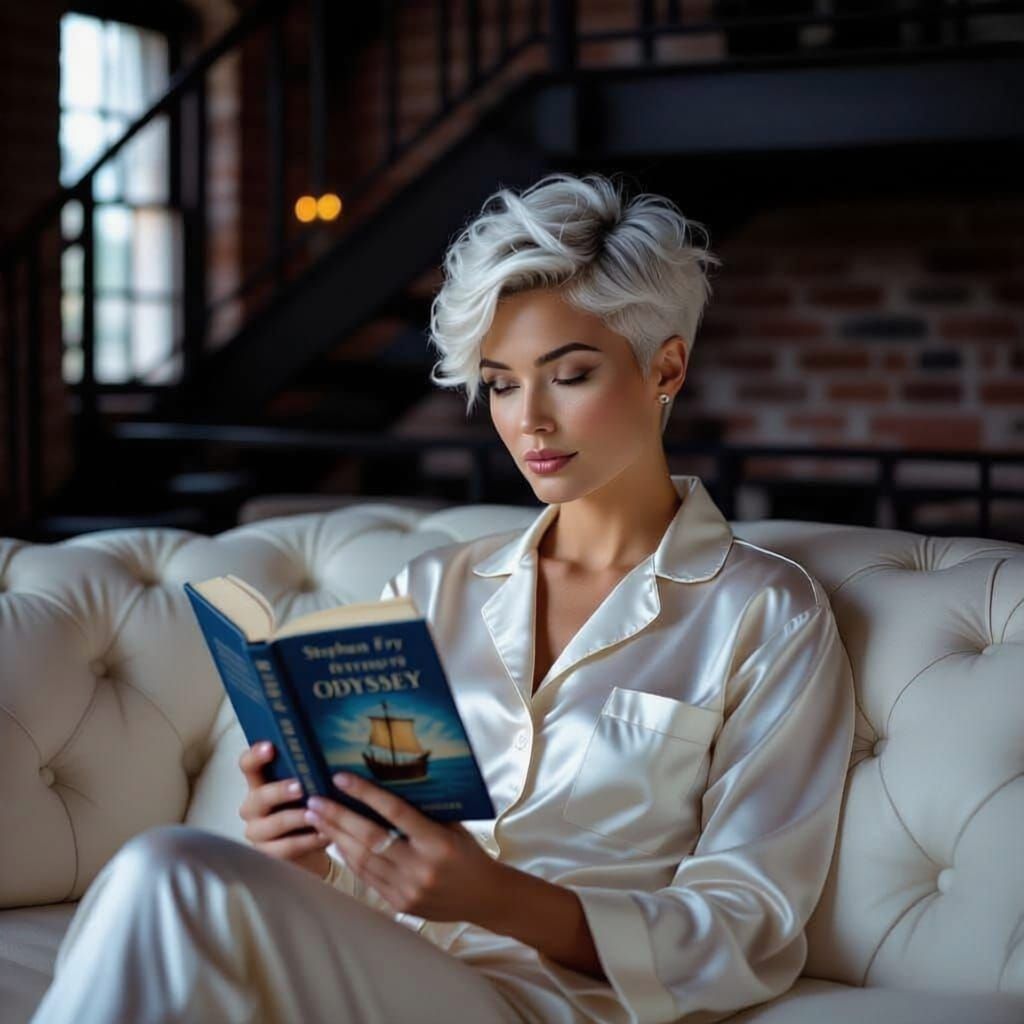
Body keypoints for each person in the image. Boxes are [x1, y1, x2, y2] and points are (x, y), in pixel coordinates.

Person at [30, 172, 856, 1024]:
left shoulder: (764, 613)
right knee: (163, 878)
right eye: (500, 383)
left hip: (553, 1004)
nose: (528, 419)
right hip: (379, 974)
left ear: (665, 368)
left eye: (568, 375)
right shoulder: (434, 588)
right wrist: (308, 854)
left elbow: (744, 925)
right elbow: (377, 864)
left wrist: (498, 899)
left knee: (165, 873)